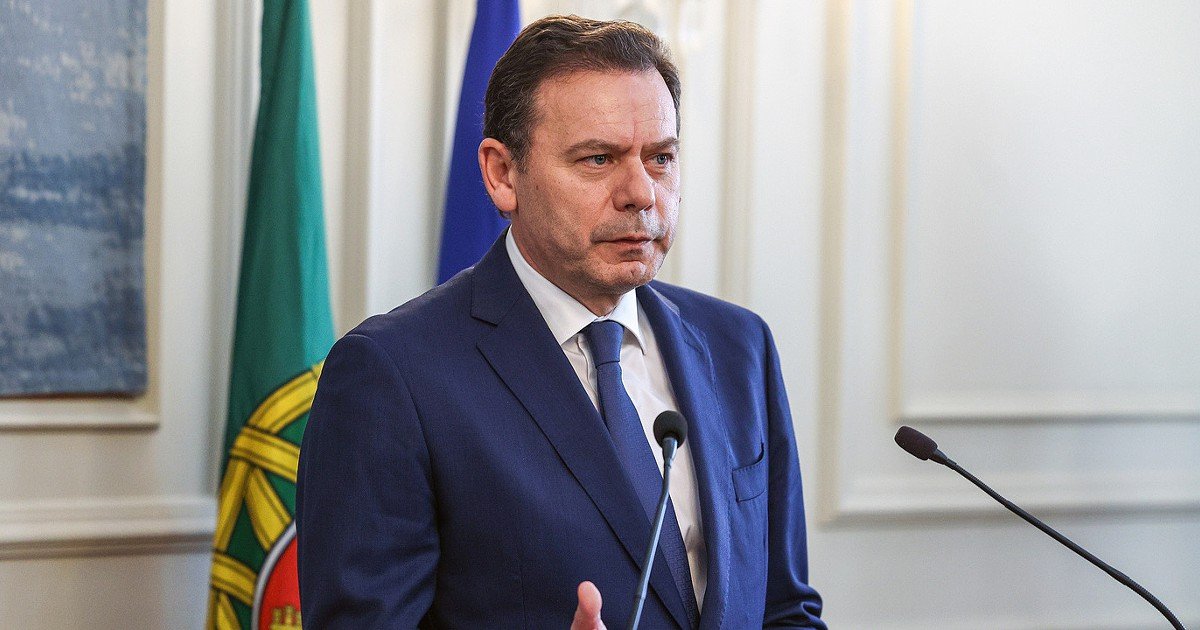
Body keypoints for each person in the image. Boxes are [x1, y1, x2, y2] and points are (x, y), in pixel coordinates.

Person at [296, 14, 826, 629]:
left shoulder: (738, 347)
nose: (641, 193)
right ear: (502, 175)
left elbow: (784, 609)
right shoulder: (392, 375)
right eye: (599, 159)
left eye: (660, 158)